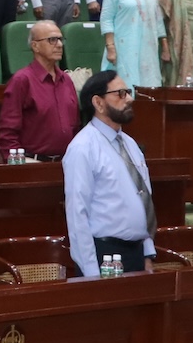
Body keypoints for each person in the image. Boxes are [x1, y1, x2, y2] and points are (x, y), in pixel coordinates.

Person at [62, 69, 157, 276]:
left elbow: (144, 197)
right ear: (98, 103)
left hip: (137, 253)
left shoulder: (131, 145)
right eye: (120, 93)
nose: (129, 99)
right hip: (104, 255)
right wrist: (91, 272)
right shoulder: (82, 148)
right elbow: (77, 215)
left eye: (128, 92)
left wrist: (147, 253)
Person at [0, 21, 77, 159]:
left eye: (60, 39)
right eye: (52, 40)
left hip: (67, 162)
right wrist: (18, 164)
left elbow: (75, 126)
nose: (59, 44)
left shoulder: (66, 80)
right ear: (35, 46)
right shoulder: (22, 80)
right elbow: (8, 131)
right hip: (33, 163)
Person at [102, 0, 165, 89]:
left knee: (148, 83)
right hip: (124, 44)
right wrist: (110, 47)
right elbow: (106, 18)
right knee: (126, 82)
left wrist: (164, 45)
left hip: (147, 44)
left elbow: (157, 16)